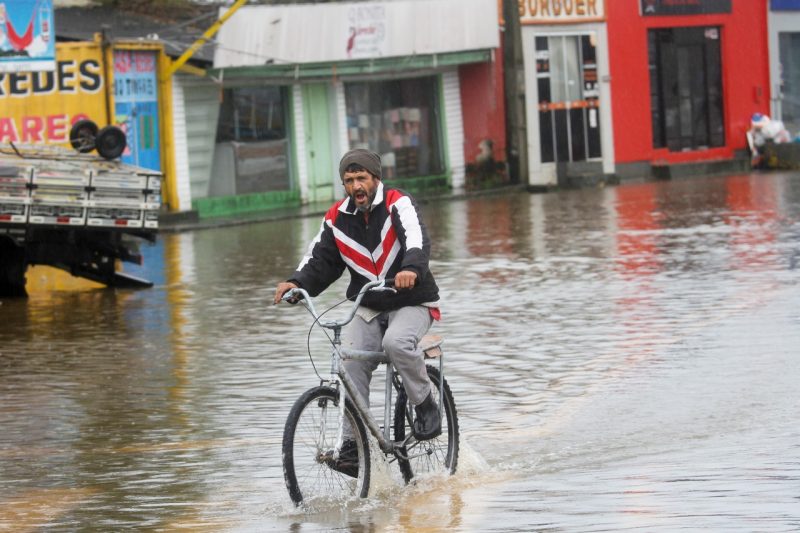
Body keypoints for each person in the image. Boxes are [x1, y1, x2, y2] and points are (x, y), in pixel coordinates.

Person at [274, 148, 442, 475]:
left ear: (375, 179)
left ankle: (425, 405)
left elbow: (418, 242)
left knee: (396, 344)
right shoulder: (337, 218)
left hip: (412, 299)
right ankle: (353, 447)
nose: (356, 186)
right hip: (369, 305)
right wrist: (296, 283)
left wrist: (411, 269)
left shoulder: (398, 203)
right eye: (349, 180)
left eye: (361, 178)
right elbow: (320, 260)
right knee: (348, 360)